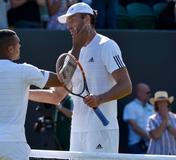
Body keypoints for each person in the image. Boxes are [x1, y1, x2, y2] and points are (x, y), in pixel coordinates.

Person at [29, 2, 132, 153]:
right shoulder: (71, 54)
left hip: (101, 130)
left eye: (72, 20)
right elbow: (56, 96)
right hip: (77, 130)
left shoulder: (107, 46)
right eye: (67, 22)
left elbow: (126, 86)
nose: (68, 26)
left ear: (87, 19)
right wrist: (24, 94)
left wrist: (100, 98)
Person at [0, 29, 63, 160]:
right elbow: (62, 80)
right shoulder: (24, 70)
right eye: (18, 43)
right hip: (12, 144)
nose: (20, 46)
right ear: (10, 49)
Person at [123, 83, 154, 154]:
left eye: (149, 92)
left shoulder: (152, 108)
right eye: (147, 92)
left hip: (151, 144)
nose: (149, 94)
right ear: (139, 93)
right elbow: (134, 127)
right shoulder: (130, 107)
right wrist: (150, 138)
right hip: (136, 144)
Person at [147, 91, 176, 155]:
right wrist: (165, 120)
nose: (162, 104)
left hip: (173, 155)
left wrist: (168, 125)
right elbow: (156, 135)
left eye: (164, 102)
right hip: (156, 155)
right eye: (159, 102)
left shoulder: (174, 118)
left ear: (167, 103)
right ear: (156, 105)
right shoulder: (152, 119)